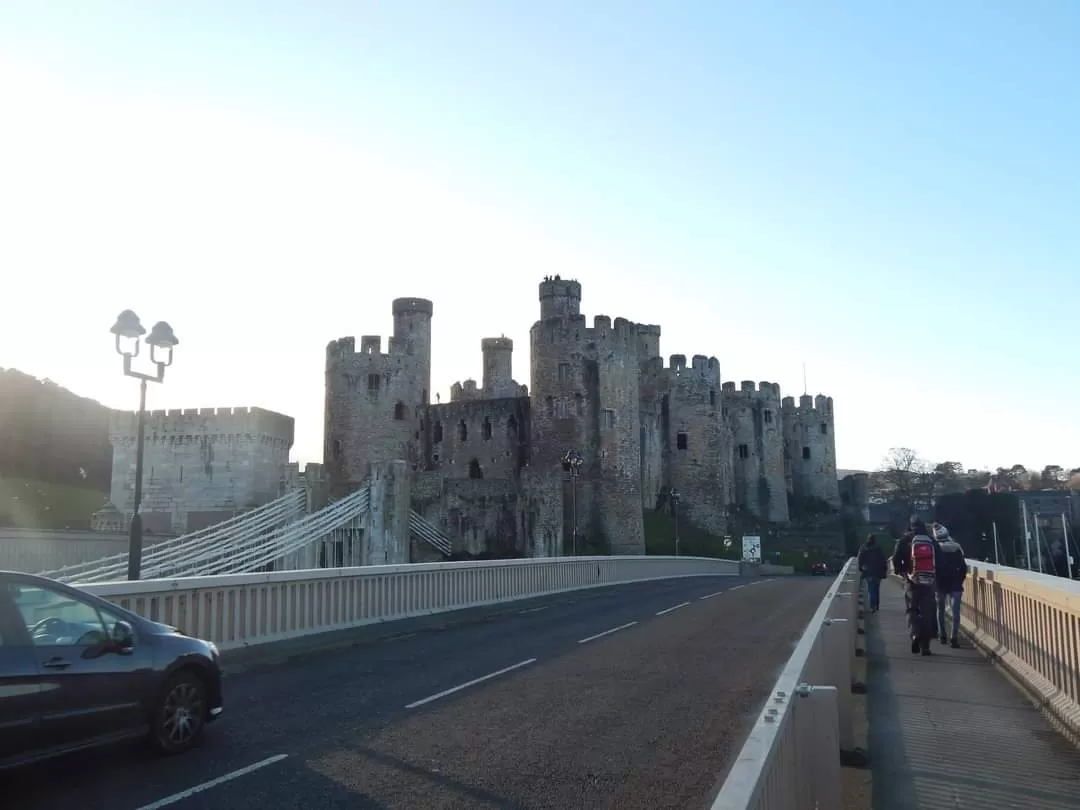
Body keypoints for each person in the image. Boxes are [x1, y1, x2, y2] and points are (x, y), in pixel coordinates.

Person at [892, 517, 939, 655]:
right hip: (929, 582)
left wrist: (901, 571)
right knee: (928, 612)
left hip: (911, 580)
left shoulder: (905, 540)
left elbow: (895, 559)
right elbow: (940, 560)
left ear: (910, 526)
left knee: (911, 609)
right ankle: (925, 646)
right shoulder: (931, 541)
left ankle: (914, 633)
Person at [933, 523, 967, 648]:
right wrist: (960, 580)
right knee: (956, 612)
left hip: (940, 583)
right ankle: (954, 637)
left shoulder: (936, 549)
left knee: (940, 610)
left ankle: (942, 635)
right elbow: (963, 568)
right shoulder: (957, 548)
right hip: (955, 583)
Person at [857, 534, 887, 612]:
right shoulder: (878, 549)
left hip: (868, 571)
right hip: (878, 572)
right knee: (876, 589)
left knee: (871, 589)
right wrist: (884, 571)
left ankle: (872, 605)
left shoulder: (864, 549)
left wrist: (860, 568)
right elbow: (884, 561)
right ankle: (876, 605)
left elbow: (860, 560)